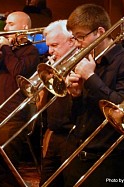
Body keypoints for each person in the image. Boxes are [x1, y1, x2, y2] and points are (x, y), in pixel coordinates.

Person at [62, 4, 124, 187]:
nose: (77, 44)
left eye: (80, 37)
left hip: (110, 162)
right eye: (74, 38)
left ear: (100, 32)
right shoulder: (88, 62)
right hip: (78, 155)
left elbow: (123, 109)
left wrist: (91, 78)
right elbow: (76, 117)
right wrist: (75, 96)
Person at [0, 11, 40, 185]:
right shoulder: (5, 52)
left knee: (5, 174)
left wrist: (5, 48)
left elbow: (19, 71)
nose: (5, 28)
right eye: (6, 24)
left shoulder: (31, 51)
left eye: (10, 24)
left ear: (24, 28)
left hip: (12, 120)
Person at [38, 20, 75, 187]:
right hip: (55, 134)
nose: (50, 52)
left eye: (54, 45)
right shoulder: (54, 64)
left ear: (72, 41)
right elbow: (40, 105)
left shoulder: (85, 63)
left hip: (73, 136)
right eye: (48, 46)